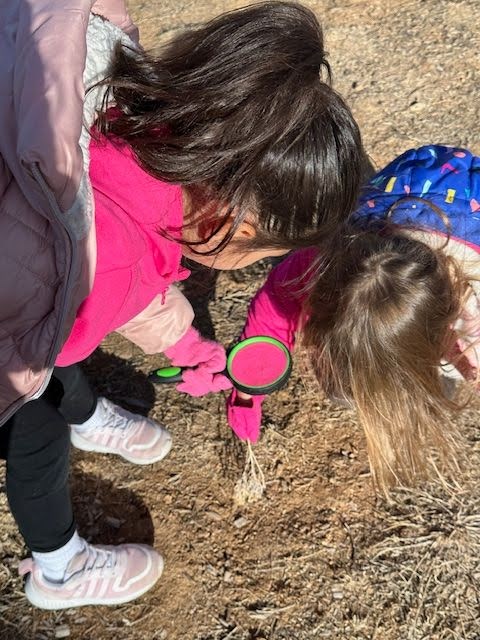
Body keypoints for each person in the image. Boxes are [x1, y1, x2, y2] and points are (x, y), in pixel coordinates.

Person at [0, 1, 366, 609]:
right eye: (260, 256)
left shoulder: (130, 118)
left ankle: (87, 417)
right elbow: (68, 330)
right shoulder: (104, 264)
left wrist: (185, 342)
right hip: (22, 335)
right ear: (231, 223)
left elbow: (125, 270)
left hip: (31, 275)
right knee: (35, 425)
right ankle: (59, 571)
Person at [227, 144, 480, 496]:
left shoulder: (473, 287)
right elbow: (274, 303)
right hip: (401, 195)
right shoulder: (329, 258)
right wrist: (249, 385)